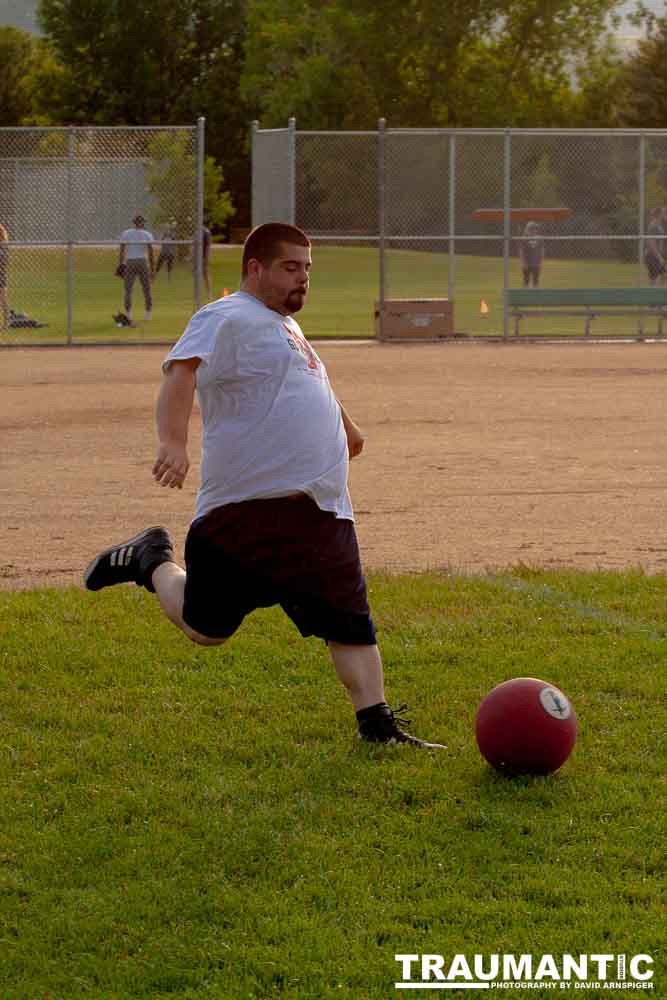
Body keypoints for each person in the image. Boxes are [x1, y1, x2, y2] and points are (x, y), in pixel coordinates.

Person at [84, 221, 443, 749]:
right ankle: (151, 559)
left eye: (308, 269)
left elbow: (306, 381)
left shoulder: (287, 328)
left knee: (349, 620)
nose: (303, 279)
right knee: (206, 629)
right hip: (246, 511)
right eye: (290, 267)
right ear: (255, 268)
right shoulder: (226, 315)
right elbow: (180, 372)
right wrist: (174, 442)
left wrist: (346, 427)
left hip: (322, 510)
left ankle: (378, 726)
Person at [118, 214, 155, 323]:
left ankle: (128, 313)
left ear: (134, 223)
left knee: (128, 289)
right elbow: (150, 252)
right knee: (146, 288)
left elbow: (122, 250)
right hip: (142, 261)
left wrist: (121, 263)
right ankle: (148, 313)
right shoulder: (147, 234)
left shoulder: (126, 233)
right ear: (143, 223)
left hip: (130, 261)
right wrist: (152, 268)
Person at [644, 207, 666, 287]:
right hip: (652, 255)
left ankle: (655, 290)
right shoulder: (653, 225)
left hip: (657, 256)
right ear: (659, 215)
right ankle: (653, 292)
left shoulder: (659, 226)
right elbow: (651, 243)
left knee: (663, 275)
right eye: (664, 213)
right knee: (654, 278)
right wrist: (659, 257)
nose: (665, 215)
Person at [519, 221, 544, 287]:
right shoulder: (524, 238)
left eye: (535, 229)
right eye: (532, 229)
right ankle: (525, 291)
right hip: (527, 263)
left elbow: (542, 250)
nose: (534, 231)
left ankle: (535, 291)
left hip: (536, 263)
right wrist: (523, 262)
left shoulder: (539, 238)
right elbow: (521, 251)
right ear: (527, 230)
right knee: (526, 280)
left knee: (536, 280)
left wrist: (541, 262)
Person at [0, 223, 9, 331]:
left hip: (1, 274)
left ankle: (6, 322)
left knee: (3, 298)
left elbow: (3, 262)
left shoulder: (3, 245)